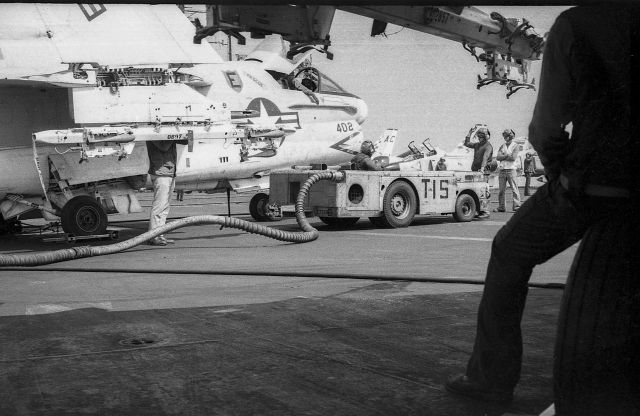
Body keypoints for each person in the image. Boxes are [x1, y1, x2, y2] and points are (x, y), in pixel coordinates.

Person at [445, 6, 636, 410]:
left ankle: (489, 379)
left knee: (508, 252)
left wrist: (561, 175)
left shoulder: (577, 24)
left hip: (597, 186)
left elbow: (545, 127)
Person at [146, 139, 187, 246]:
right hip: (160, 172)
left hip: (169, 172)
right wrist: (174, 135)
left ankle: (160, 235)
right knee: (159, 206)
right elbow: (163, 146)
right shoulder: (155, 133)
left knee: (164, 207)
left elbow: (186, 141)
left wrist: (185, 133)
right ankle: (154, 236)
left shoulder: (168, 134)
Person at [463, 127, 492, 219]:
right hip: (475, 171)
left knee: (484, 191)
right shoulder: (477, 145)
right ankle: (480, 210)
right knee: (477, 191)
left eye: (481, 137)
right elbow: (466, 143)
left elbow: (485, 157)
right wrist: (469, 132)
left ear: (485, 137)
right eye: (478, 137)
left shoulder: (488, 146)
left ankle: (486, 211)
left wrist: (482, 168)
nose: (479, 138)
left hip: (483, 172)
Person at [493, 129, 521, 212]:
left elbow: (513, 158)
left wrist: (503, 156)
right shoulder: (502, 146)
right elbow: (498, 157)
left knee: (514, 189)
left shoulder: (515, 146)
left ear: (510, 136)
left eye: (506, 136)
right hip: (502, 170)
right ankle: (501, 207)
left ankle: (517, 207)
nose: (505, 138)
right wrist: (507, 155)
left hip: (511, 170)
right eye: (504, 136)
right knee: (501, 191)